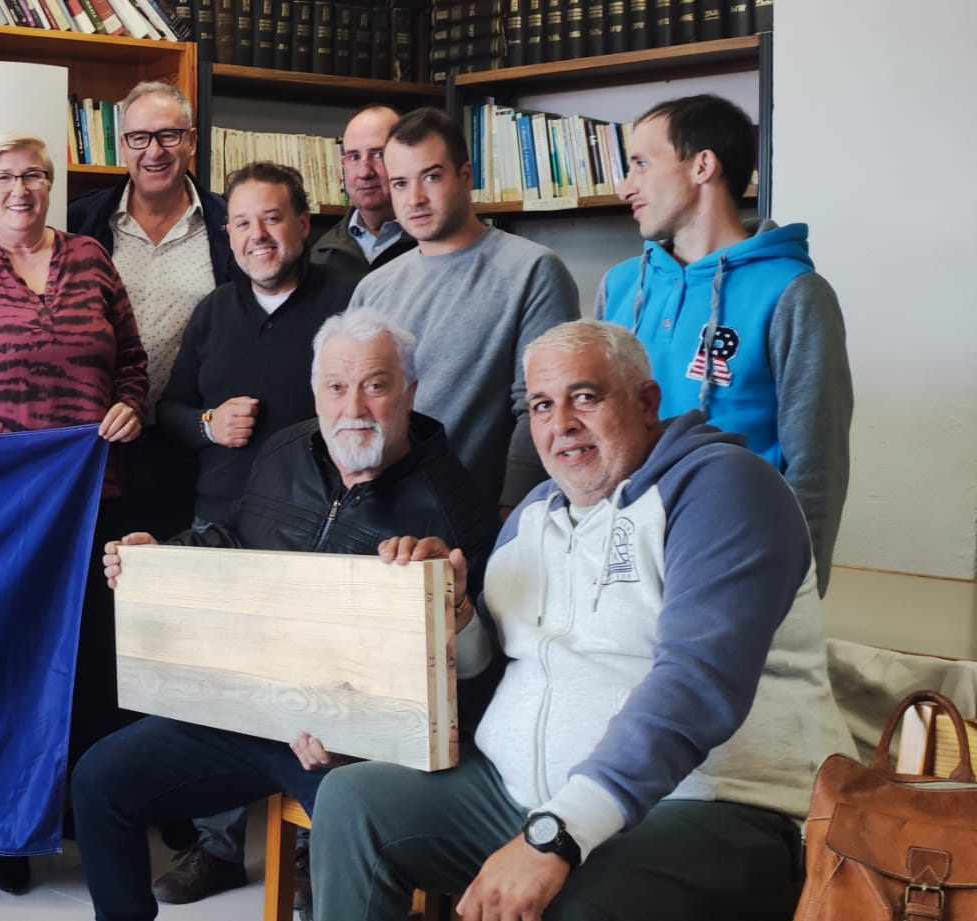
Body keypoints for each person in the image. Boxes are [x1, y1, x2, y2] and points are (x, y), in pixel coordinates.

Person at [309, 319, 848, 921]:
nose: (561, 423)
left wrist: (555, 837)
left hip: (713, 807)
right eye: (542, 405)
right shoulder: (533, 515)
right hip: (521, 797)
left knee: (579, 899)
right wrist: (456, 613)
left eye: (584, 397)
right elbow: (493, 663)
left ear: (646, 402)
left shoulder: (725, 488)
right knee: (355, 802)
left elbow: (697, 685)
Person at [74, 308, 498, 921]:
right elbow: (236, 543)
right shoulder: (286, 450)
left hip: (347, 748)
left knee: (358, 852)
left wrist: (365, 736)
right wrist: (160, 558)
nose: (353, 406)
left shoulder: (453, 508)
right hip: (250, 709)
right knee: (99, 780)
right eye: (334, 386)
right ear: (315, 391)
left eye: (375, 385)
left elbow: (473, 681)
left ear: (410, 391)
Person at [0, 133, 148, 896]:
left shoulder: (91, 260)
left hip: (96, 499)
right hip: (4, 510)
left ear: (51, 186)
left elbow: (133, 364)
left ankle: (77, 813)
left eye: (34, 176)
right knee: (7, 665)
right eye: (3, 178)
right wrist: (25, 466)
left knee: (86, 666)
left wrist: (127, 407)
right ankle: (6, 826)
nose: (20, 189)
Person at [145, 161, 361, 905]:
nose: (256, 235)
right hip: (223, 527)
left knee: (316, 701)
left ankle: (308, 852)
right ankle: (216, 846)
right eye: (240, 222)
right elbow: (168, 413)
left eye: (272, 218)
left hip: (318, 533)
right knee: (216, 692)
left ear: (305, 225)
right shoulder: (213, 312)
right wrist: (207, 424)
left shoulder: (346, 304)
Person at [601, 93, 851, 595]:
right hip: (622, 561)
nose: (627, 186)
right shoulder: (621, 284)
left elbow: (816, 464)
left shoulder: (794, 292)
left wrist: (797, 590)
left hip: (737, 561)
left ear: (702, 165)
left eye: (641, 165)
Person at [348, 107, 580, 510]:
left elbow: (539, 406)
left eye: (432, 177)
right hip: (379, 514)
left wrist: (515, 516)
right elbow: (349, 409)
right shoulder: (374, 287)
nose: (415, 199)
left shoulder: (533, 270)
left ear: (466, 177)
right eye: (400, 184)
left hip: (481, 517)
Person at [66, 80, 238, 543]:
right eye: (139, 138)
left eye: (169, 135)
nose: (154, 151)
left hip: (192, 444)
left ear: (192, 141)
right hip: (98, 442)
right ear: (122, 146)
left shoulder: (228, 226)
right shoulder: (79, 223)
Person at [309, 104, 415, 272]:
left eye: (379, 154)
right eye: (354, 157)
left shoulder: (435, 242)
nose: (365, 172)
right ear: (343, 165)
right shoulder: (319, 257)